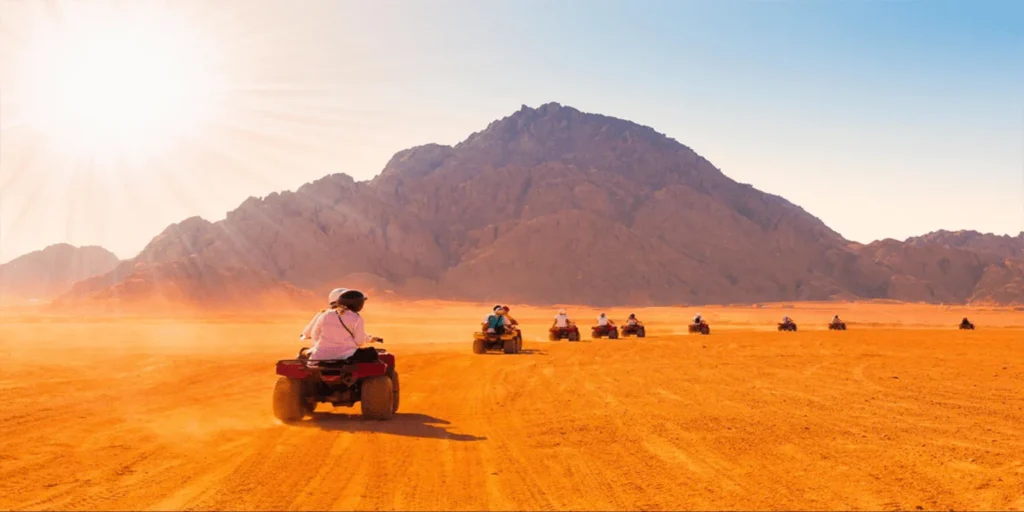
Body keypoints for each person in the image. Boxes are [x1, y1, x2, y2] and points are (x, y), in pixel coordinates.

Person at [304, 288, 378, 362]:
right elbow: (359, 342)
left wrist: (321, 348)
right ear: (358, 304)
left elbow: (314, 333)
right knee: (372, 352)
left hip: (320, 356)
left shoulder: (325, 314)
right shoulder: (357, 318)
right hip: (346, 356)